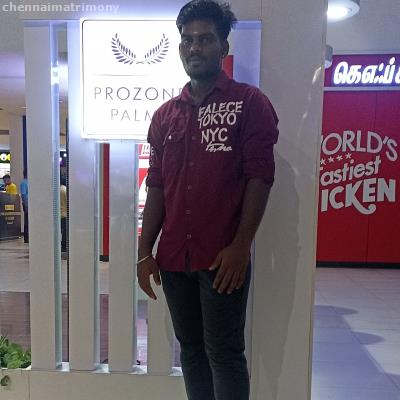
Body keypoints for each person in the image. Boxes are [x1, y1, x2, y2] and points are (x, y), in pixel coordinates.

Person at [137, 1, 279, 399]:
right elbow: (157, 187)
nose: (194, 47)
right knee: (192, 351)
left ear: (223, 47)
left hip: (221, 259)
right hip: (173, 259)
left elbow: (260, 177)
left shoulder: (249, 104)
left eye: (205, 39)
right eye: (187, 40)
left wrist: (241, 245)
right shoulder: (165, 116)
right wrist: (145, 250)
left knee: (225, 353)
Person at [19, 169, 29, 243]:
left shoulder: (29, 182)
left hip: (30, 204)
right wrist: (26, 206)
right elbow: (23, 195)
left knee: (30, 220)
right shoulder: (23, 183)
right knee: (27, 220)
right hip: (27, 204)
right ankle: (26, 238)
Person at [60, 175, 67, 254]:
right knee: (65, 231)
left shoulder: (56, 189)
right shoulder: (65, 190)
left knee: (59, 231)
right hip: (64, 214)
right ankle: (64, 246)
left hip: (58, 214)